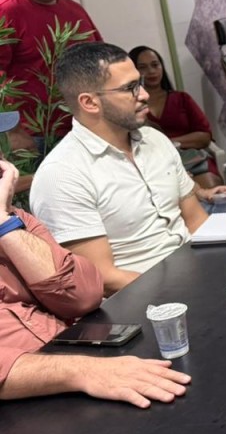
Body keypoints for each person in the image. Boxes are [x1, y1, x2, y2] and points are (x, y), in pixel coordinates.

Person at [30, 43, 226, 296]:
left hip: (198, 277)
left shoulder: (155, 139)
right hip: (144, 300)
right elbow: (104, 278)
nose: (145, 95)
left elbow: (196, 221)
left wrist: (223, 269)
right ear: (90, 102)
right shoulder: (62, 175)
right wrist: (182, 292)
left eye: (140, 84)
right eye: (130, 88)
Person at [0, 152, 190, 408]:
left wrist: (5, 225)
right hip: (37, 398)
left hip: (76, 365)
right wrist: (81, 371)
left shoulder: (13, 219)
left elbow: (83, 296)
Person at [0, 0, 103, 153]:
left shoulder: (74, 9)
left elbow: (101, 60)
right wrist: (11, 129)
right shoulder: (6, 13)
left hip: (88, 125)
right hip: (37, 133)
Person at [129, 45, 223, 189]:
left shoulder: (182, 99)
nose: (151, 71)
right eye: (143, 67)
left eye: (155, 65)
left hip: (192, 160)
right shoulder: (130, 106)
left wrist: (169, 142)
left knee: (212, 191)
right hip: (155, 166)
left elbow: (204, 137)